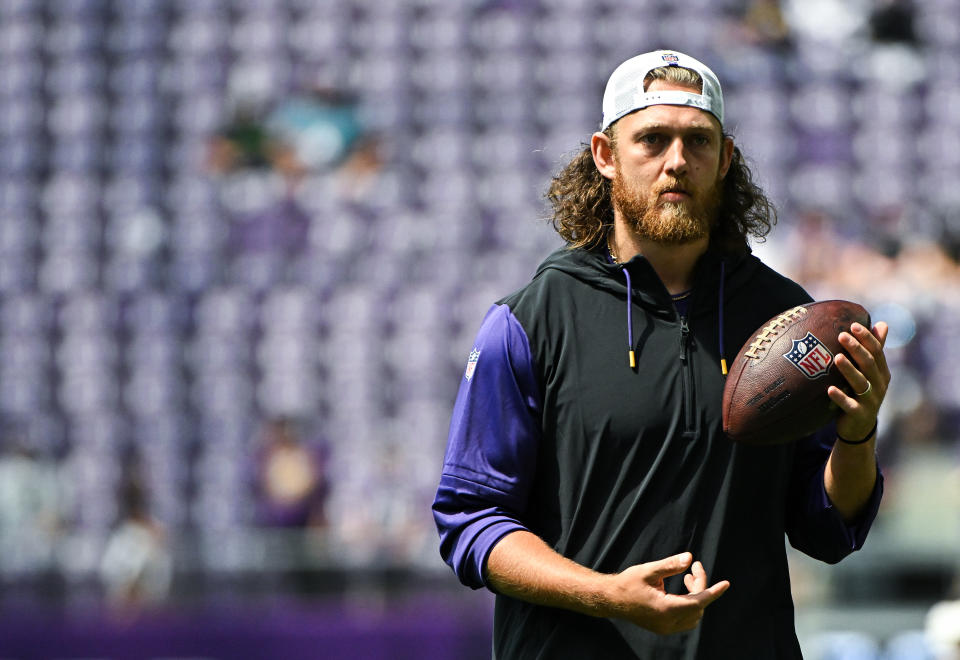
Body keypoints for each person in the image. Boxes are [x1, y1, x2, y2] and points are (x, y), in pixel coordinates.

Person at [432, 50, 890, 659]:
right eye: (652, 139)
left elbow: (828, 528)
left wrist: (857, 437)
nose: (677, 161)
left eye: (698, 141)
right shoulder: (528, 322)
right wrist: (605, 594)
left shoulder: (785, 320)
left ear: (725, 159)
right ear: (605, 155)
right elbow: (472, 522)